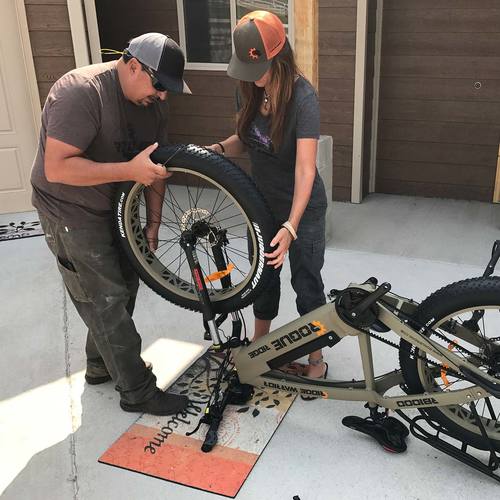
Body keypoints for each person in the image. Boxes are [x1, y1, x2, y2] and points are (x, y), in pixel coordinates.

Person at [30, 33, 192, 416]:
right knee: (105, 298)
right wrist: (129, 171)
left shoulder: (152, 105)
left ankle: (101, 364)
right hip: (68, 210)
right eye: (159, 85)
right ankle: (137, 392)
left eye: (168, 89)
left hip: (119, 206)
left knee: (126, 285)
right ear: (133, 65)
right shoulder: (80, 92)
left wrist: (153, 223)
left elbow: (155, 168)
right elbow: (57, 168)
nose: (163, 96)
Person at [207, 11, 328, 382]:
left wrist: (291, 226)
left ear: (278, 56)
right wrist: (217, 149)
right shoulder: (247, 88)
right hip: (260, 206)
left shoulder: (303, 98)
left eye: (256, 67)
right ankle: (260, 347)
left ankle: (317, 358)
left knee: (306, 283)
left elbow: (305, 169)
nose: (251, 76)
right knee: (262, 278)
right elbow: (245, 139)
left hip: (302, 209)